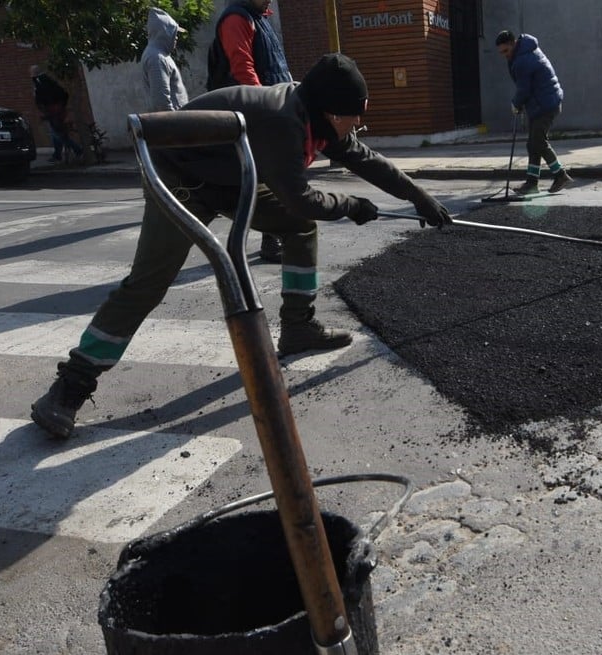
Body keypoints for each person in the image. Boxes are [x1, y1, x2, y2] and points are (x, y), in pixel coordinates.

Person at [30, 54, 453, 439]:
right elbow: (300, 197)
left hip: (229, 179)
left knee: (299, 227)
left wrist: (420, 198)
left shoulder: (316, 115)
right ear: (332, 111)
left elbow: (365, 158)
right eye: (354, 118)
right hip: (179, 179)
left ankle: (298, 327)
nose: (357, 126)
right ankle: (70, 385)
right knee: (148, 282)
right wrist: (352, 205)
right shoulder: (282, 121)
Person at [206, 0, 294, 261]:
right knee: (260, 180)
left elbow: (277, 69)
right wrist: (263, 111)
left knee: (266, 179)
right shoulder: (237, 19)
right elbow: (243, 69)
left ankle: (271, 238)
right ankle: (265, 240)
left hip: (270, 111)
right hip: (253, 116)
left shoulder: (260, 19)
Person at [495, 30, 572, 196]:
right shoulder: (525, 51)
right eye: (501, 53)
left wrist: (516, 104)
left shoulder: (523, 59)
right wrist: (522, 103)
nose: (504, 55)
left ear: (513, 43)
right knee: (533, 144)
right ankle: (531, 183)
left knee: (538, 142)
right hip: (541, 103)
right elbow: (527, 86)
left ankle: (560, 175)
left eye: (506, 51)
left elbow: (524, 88)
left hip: (546, 104)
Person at [30, 65, 84, 163]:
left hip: (52, 111)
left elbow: (41, 97)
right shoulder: (47, 81)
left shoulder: (39, 81)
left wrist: (46, 108)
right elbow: (63, 94)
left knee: (57, 134)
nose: (30, 73)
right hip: (56, 109)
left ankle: (77, 150)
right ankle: (58, 154)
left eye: (31, 71)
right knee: (56, 132)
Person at [141, 7, 190, 112]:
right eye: (174, 33)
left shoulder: (160, 55)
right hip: (172, 124)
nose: (176, 37)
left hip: (175, 121)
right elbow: (161, 102)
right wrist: (171, 123)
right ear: (165, 33)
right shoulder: (157, 58)